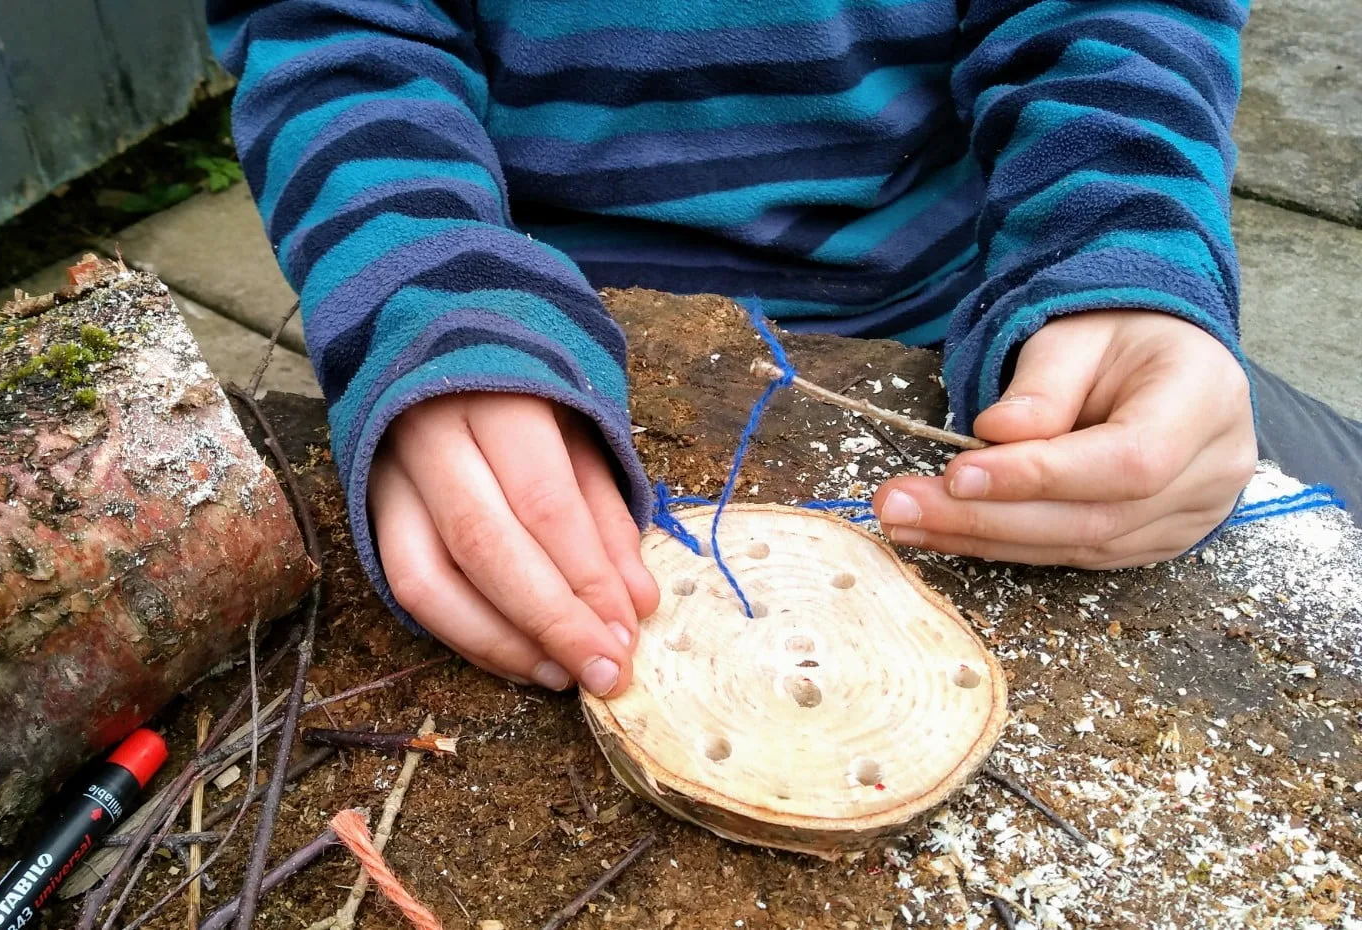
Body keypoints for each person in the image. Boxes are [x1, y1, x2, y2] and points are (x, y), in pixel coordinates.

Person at [205, 0, 1360, 699]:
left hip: (995, 340)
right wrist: (431, 301)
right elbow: (336, 36)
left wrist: (1124, 257)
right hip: (524, 377)